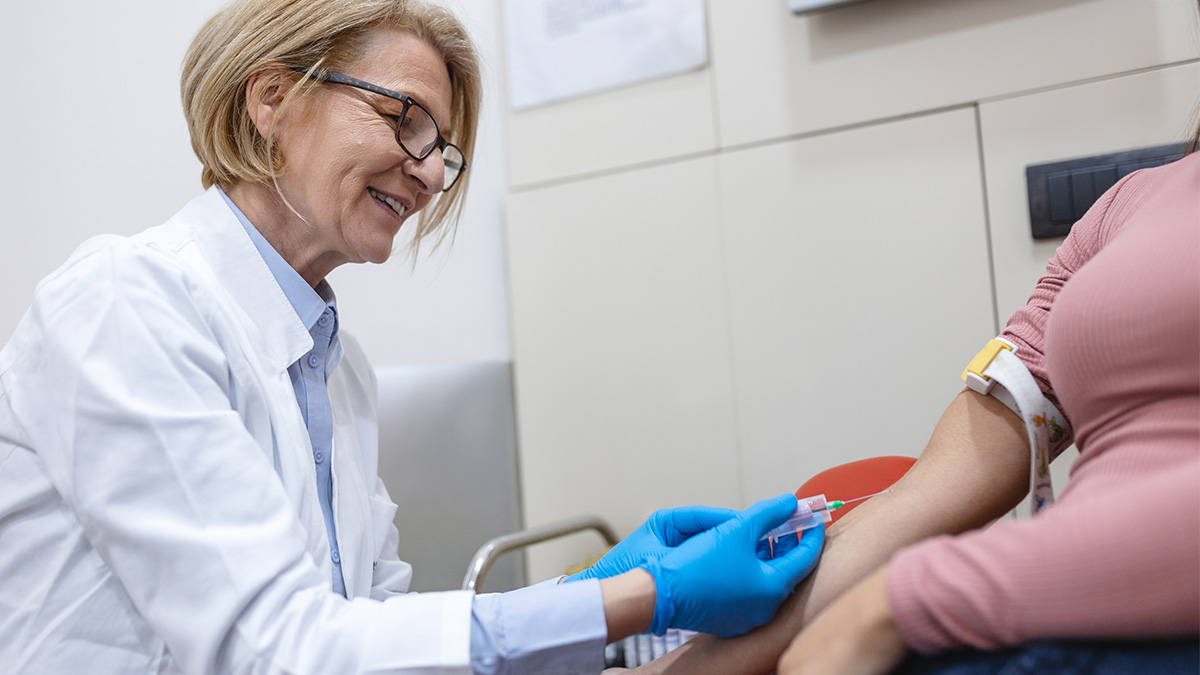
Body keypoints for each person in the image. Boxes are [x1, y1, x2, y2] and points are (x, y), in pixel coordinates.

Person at [0, 1, 826, 673]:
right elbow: (274, 649)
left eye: (442, 149)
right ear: (271, 97)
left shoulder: (336, 367)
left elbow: (370, 627)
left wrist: (586, 586)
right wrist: (643, 596)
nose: (430, 173)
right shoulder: (127, 305)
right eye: (406, 121)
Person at [623, 129, 1200, 674]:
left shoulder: (922, 592)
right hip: (1052, 622)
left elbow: (888, 597)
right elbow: (924, 500)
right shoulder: (1129, 203)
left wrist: (906, 594)